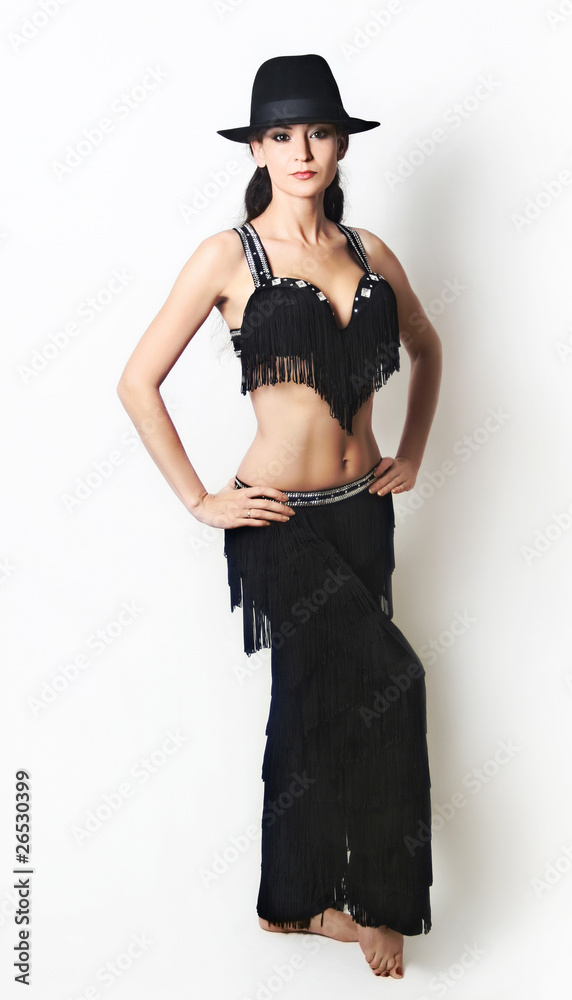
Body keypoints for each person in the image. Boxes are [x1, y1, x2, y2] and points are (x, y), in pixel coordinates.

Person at [117, 53, 442, 980]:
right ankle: (379, 903)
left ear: (341, 147)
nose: (301, 151)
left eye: (319, 133)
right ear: (257, 149)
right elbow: (137, 381)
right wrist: (200, 499)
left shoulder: (368, 252)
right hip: (276, 521)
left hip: (362, 512)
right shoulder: (229, 257)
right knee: (395, 682)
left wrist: (412, 451)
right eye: (281, 134)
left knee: (317, 705)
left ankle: (293, 904)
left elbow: (427, 346)